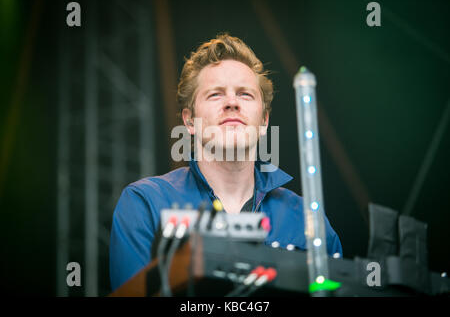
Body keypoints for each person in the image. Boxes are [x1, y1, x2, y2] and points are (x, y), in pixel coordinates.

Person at [109, 33, 343, 292]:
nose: (232, 103)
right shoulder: (145, 204)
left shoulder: (306, 220)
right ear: (189, 121)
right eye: (215, 95)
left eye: (244, 94)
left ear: (264, 121)